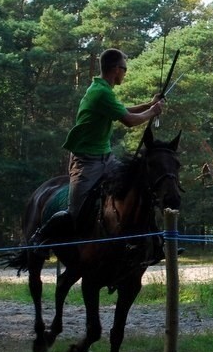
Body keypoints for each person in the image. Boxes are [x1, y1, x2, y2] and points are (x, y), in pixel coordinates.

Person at [29, 48, 163, 246]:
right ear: (116, 69)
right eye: (124, 69)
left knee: (135, 188)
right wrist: (152, 112)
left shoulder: (104, 91)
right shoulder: (100, 92)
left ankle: (151, 240)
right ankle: (40, 238)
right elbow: (128, 120)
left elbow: (123, 110)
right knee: (75, 211)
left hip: (106, 157)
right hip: (86, 161)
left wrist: (148, 105)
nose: (125, 73)